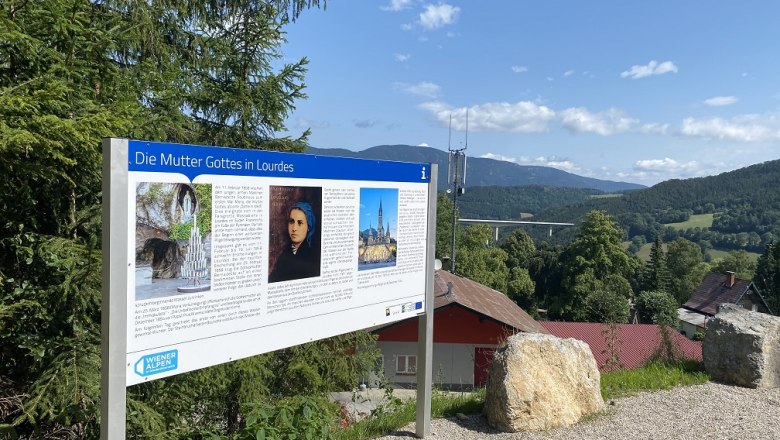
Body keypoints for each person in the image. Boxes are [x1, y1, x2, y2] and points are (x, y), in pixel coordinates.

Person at [269, 201, 320, 283]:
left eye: (300, 223)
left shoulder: (312, 255)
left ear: (308, 227)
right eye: (291, 221)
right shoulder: (285, 252)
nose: (294, 228)